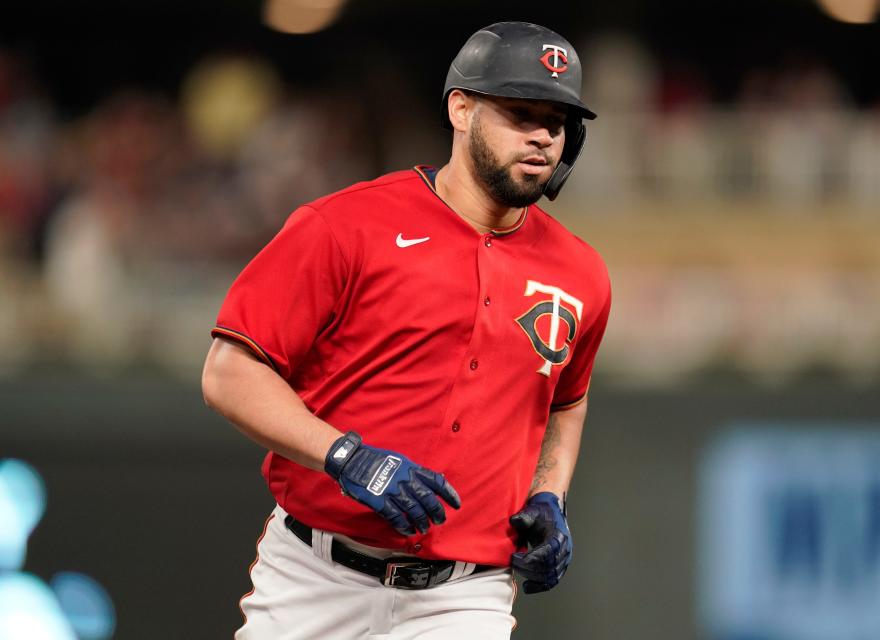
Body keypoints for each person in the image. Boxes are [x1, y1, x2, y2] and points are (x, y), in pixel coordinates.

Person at [201, 21, 611, 639]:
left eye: (556, 122)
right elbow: (229, 372)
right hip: (317, 577)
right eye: (520, 112)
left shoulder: (581, 273)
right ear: (462, 108)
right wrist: (344, 456)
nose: (542, 137)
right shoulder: (345, 226)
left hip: (464, 595)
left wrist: (549, 495)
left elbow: (565, 403)